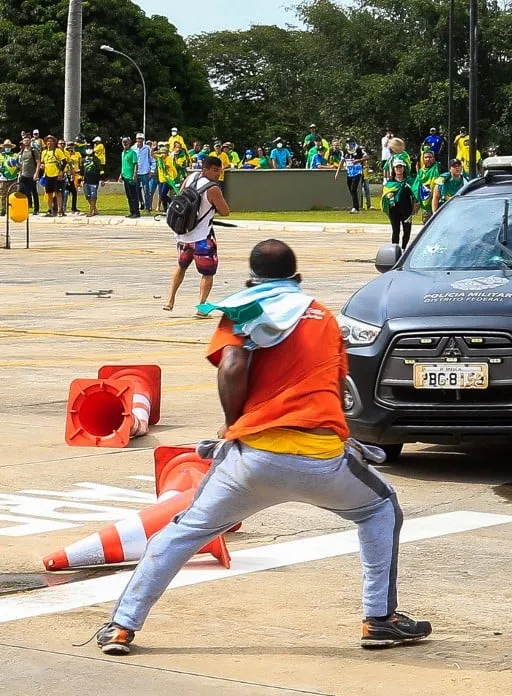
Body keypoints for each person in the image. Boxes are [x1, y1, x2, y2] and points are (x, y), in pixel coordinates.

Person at [93, 238, 431, 655]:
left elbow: (233, 366)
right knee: (380, 509)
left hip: (251, 460)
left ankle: (123, 626)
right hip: (321, 459)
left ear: (252, 279)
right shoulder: (322, 316)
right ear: (298, 278)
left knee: (181, 534)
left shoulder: (242, 310)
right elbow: (339, 386)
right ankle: (379, 620)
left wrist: (233, 423)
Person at [163, 157, 229, 314]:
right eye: (215, 170)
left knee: (181, 266)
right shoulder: (213, 188)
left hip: (183, 236)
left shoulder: (190, 178)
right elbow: (225, 211)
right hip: (202, 238)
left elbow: (180, 197)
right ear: (205, 169)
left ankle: (170, 300)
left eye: (220, 170)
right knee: (207, 273)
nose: (219, 173)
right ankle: (201, 307)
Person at [382, 159, 414, 249]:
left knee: (407, 231)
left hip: (407, 209)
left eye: (400, 167)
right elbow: (385, 194)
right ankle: (395, 249)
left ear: (404, 168)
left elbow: (415, 194)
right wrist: (388, 195)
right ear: (393, 169)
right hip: (394, 210)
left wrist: (415, 208)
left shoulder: (409, 181)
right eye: (396, 167)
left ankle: (404, 249)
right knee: (396, 230)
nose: (398, 169)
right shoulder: (390, 183)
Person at [36, 135, 68, 217]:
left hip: (56, 175)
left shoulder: (57, 151)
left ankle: (60, 210)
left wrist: (61, 172)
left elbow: (64, 162)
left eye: (51, 141)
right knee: (49, 193)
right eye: (48, 141)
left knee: (58, 193)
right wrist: (42, 166)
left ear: (54, 143)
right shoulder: (44, 152)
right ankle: (49, 210)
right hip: (47, 175)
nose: (49, 143)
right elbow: (42, 162)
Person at [335, 138, 367, 213]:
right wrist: (337, 173)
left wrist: (358, 160)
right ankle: (356, 207)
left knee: (353, 188)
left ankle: (355, 208)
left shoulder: (358, 150)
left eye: (350, 143)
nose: (349, 144)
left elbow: (366, 157)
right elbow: (342, 162)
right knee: (351, 190)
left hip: (357, 172)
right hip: (349, 173)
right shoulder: (345, 151)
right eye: (348, 143)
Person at [412, 149, 440, 222]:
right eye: (426, 157)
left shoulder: (439, 168)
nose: (428, 159)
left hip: (439, 202)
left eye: (430, 157)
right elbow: (416, 187)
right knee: (427, 225)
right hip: (426, 203)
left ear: (434, 158)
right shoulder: (421, 172)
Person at [17, 138, 39, 214]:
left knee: (34, 191)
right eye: (24, 140)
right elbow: (22, 163)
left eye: (27, 140)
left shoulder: (33, 151)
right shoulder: (22, 151)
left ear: (30, 141)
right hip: (23, 174)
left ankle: (36, 209)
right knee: (21, 191)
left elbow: (38, 162)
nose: (26, 142)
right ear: (23, 142)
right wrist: (20, 172)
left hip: (31, 174)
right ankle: (25, 207)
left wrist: (36, 173)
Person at [119, 137, 140, 218]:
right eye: (123, 142)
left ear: (129, 143)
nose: (125, 143)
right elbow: (123, 165)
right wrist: (121, 175)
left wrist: (135, 175)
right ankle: (131, 211)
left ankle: (136, 212)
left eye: (126, 142)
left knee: (133, 195)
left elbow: (135, 164)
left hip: (131, 177)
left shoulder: (132, 153)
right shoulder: (123, 153)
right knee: (128, 196)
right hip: (125, 176)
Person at [81, 146, 102, 217]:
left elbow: (100, 170)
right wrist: (80, 179)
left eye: (90, 149)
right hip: (86, 181)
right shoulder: (83, 160)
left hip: (94, 180)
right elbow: (81, 171)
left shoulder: (96, 159)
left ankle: (91, 211)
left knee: (93, 196)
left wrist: (102, 179)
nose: (89, 150)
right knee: (87, 196)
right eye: (87, 149)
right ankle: (95, 209)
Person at [62, 139, 82, 214]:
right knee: (66, 191)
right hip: (67, 173)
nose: (71, 147)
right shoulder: (65, 153)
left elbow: (80, 164)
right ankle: (64, 207)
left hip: (75, 174)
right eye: (69, 146)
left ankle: (74, 207)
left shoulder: (77, 154)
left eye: (72, 146)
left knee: (74, 191)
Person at [0, 140, 19, 215]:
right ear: (4, 147)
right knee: (2, 195)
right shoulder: (1, 156)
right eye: (6, 146)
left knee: (13, 195)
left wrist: (16, 165)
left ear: (11, 147)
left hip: (13, 178)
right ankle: (3, 210)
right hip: (3, 178)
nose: (7, 148)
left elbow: (19, 165)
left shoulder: (15, 156)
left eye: (9, 146)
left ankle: (12, 209)